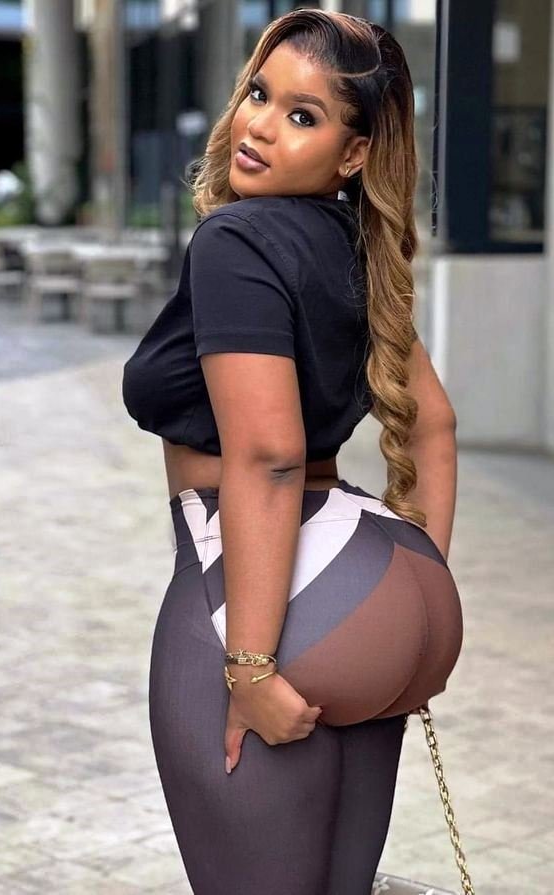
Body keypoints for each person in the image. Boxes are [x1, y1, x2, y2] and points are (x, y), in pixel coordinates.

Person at [122, 9, 463, 894]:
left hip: (269, 589)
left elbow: (269, 457)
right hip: (377, 581)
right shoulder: (357, 245)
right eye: (260, 94)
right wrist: (418, 590)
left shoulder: (235, 241)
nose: (261, 125)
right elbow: (434, 425)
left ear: (354, 154)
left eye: (303, 115)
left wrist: (249, 665)